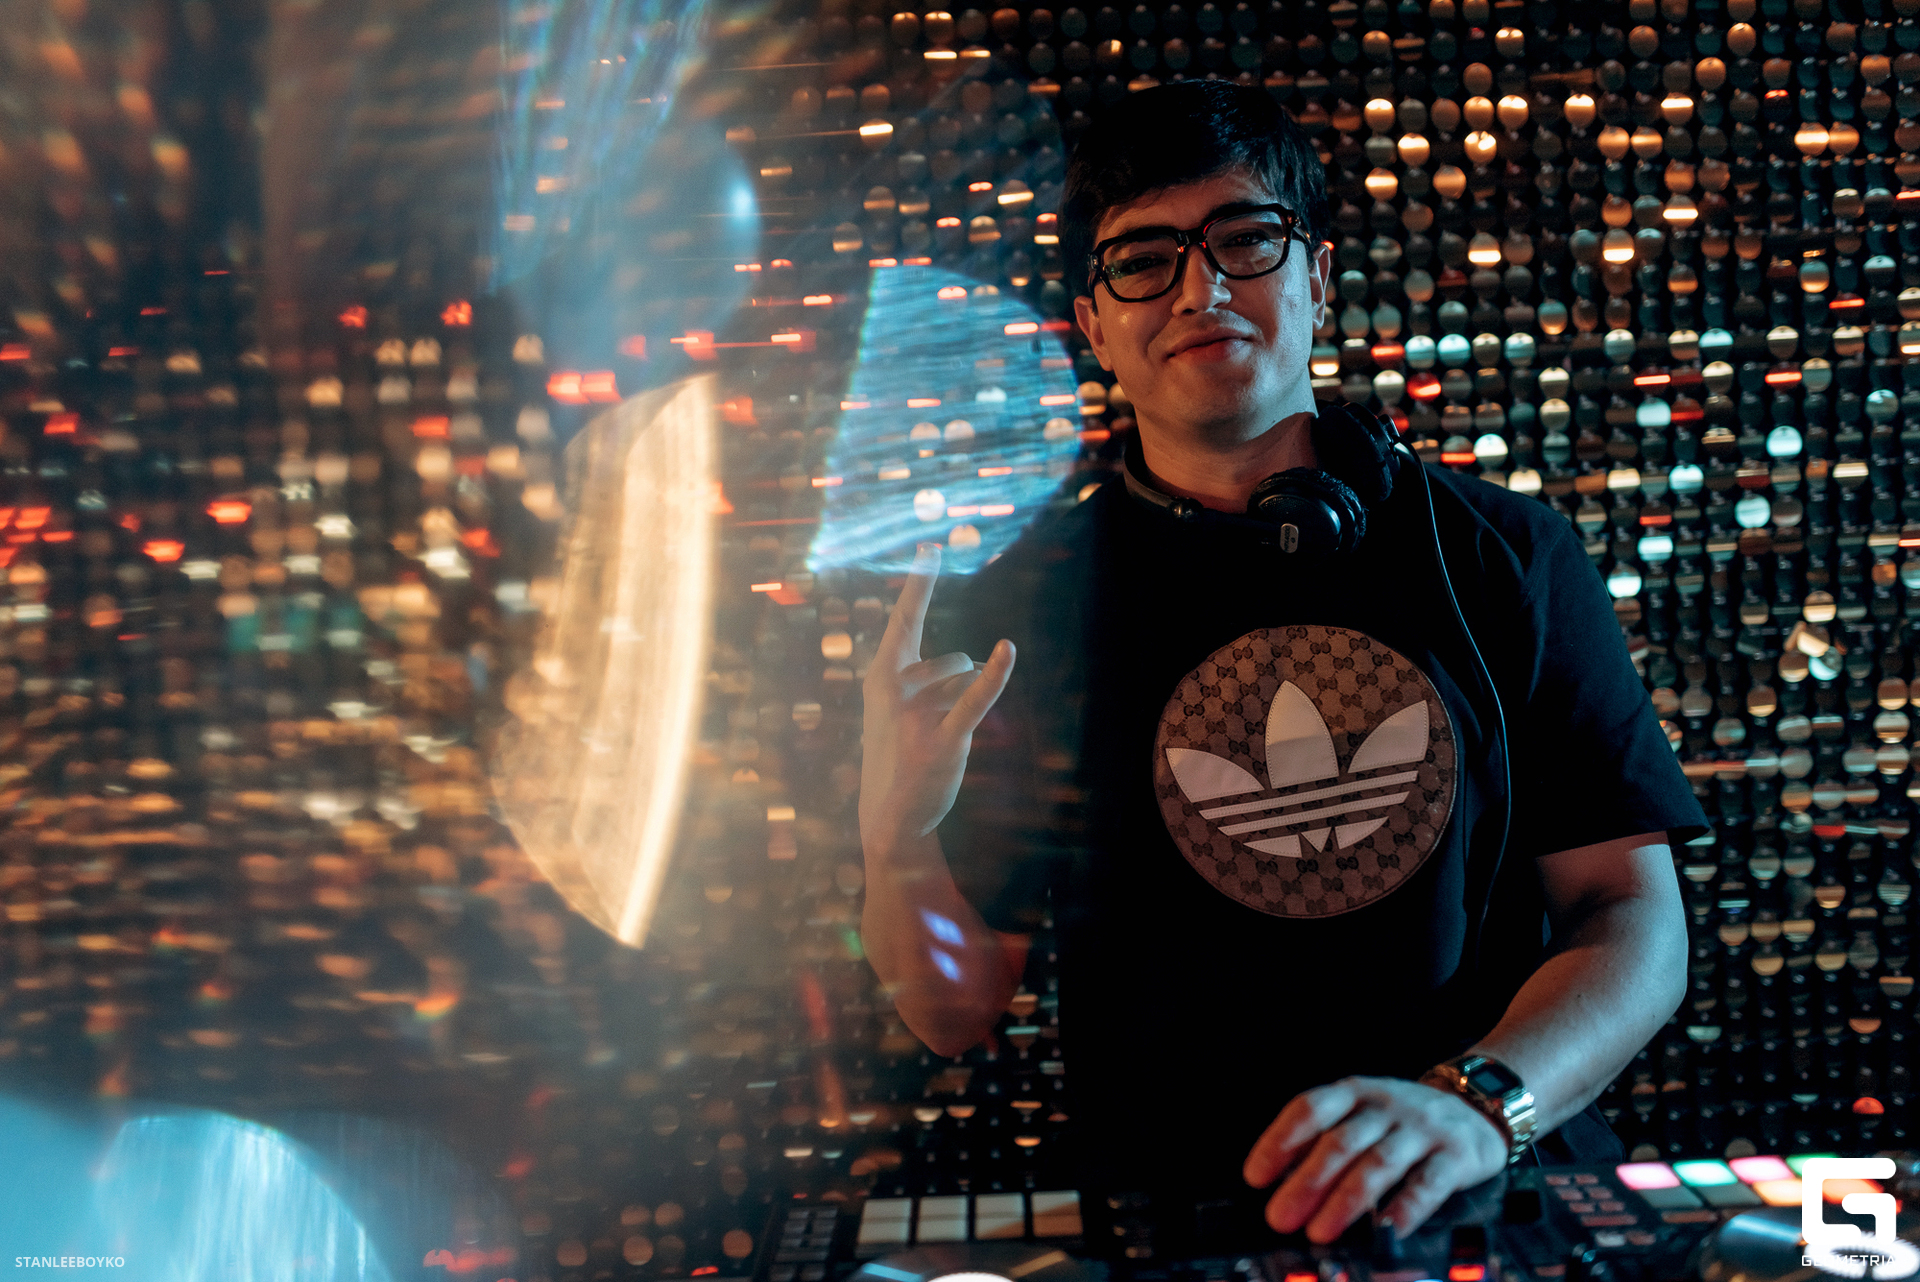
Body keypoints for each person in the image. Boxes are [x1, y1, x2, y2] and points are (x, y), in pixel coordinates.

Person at [857, 80, 1709, 1255]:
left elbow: (1631, 916)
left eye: (1245, 241)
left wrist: (1478, 1106)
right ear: (1094, 326)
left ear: (1316, 277)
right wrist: (895, 839)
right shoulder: (1022, 605)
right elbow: (952, 1010)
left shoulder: (1503, 553)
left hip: (1477, 1191)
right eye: (1144, 260)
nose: (1199, 290)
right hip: (1181, 1226)